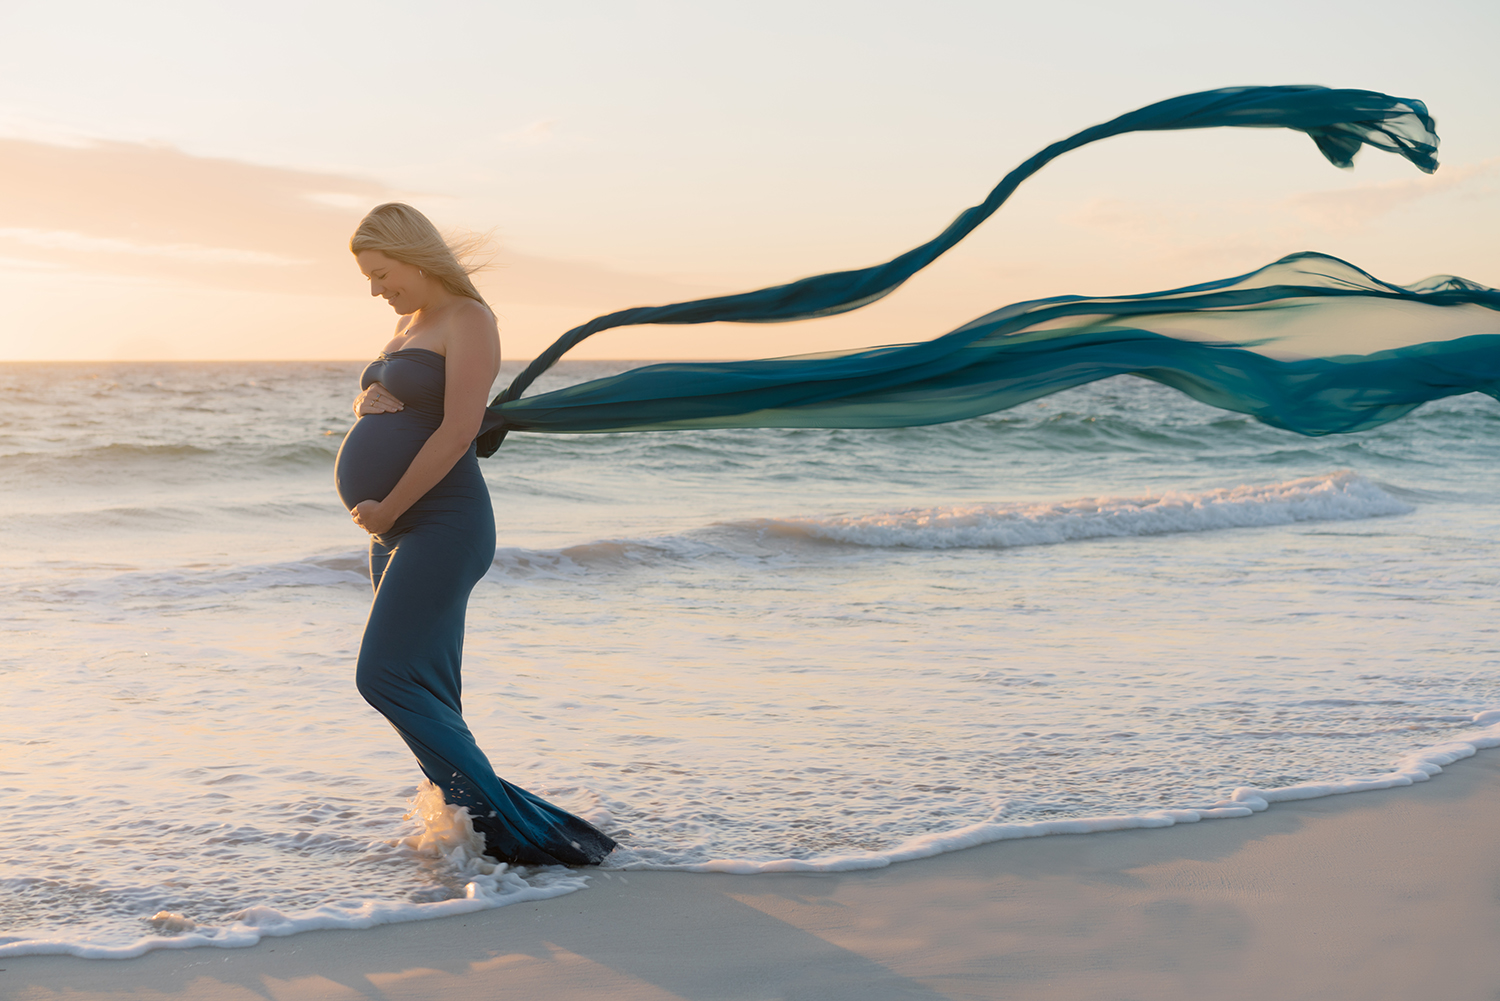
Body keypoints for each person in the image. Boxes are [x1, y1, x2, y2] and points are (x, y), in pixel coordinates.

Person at [334, 202, 616, 867]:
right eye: (368, 279)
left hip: (443, 523)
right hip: (397, 531)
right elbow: (412, 406)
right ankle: (470, 828)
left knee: (383, 676)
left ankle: (507, 830)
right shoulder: (410, 323)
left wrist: (390, 505)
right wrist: (369, 406)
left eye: (380, 273)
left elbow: (458, 430)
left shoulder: (470, 319)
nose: (376, 290)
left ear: (411, 254)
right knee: (427, 688)